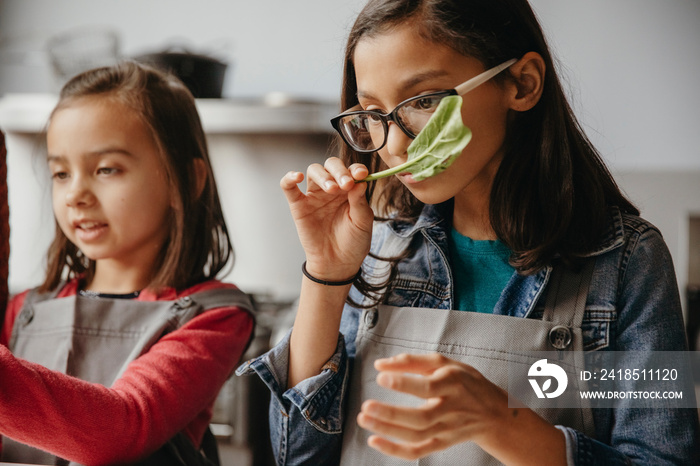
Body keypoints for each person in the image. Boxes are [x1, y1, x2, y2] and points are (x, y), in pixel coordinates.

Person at [236, 0, 700, 464]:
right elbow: (295, 454)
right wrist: (326, 275)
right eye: (374, 113)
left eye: (423, 101)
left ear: (522, 84)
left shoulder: (628, 260)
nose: (395, 145)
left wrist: (499, 423)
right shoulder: (374, 248)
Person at [0, 62, 255, 465]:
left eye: (106, 169)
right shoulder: (25, 310)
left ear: (184, 182)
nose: (75, 194)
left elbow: (126, 425)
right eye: (61, 173)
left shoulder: (214, 316)